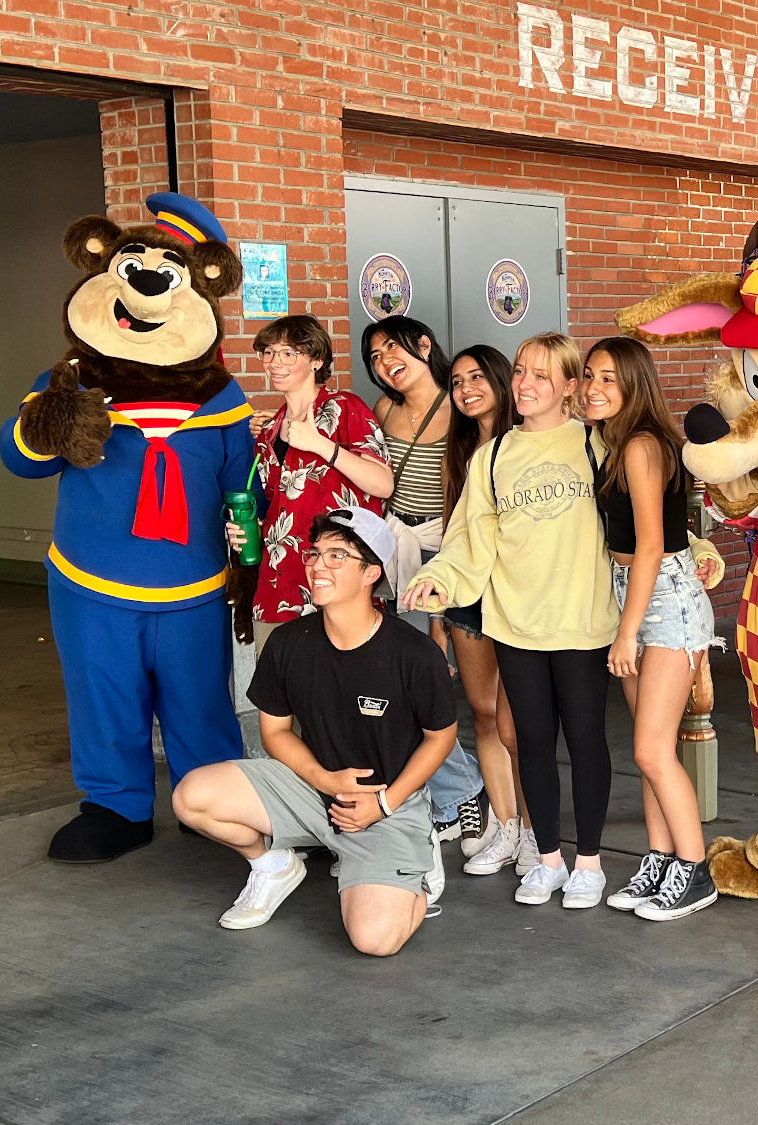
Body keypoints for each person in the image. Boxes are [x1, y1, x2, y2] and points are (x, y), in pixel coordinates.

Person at [172, 508, 455, 955]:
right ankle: (272, 866)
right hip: (312, 789)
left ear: (371, 574)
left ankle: (416, 861)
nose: (318, 566)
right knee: (192, 796)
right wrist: (324, 780)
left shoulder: (413, 654)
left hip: (385, 802)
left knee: (375, 941)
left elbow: (441, 737)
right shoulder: (288, 643)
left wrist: (384, 803)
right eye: (315, 553)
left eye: (338, 556)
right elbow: (276, 733)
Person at [403, 332, 621, 910]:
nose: (524, 383)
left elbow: (639, 520)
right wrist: (440, 580)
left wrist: (694, 551)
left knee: (586, 740)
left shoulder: (596, 445)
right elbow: (469, 540)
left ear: (571, 388)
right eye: (521, 371)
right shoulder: (493, 455)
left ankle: (590, 865)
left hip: (583, 623)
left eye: (542, 376)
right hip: (515, 624)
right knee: (530, 741)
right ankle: (547, 859)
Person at [578, 338, 718, 921]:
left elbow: (654, 545)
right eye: (588, 377)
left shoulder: (640, 445)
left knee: (652, 746)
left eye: (609, 379)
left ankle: (695, 870)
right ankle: (660, 860)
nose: (592, 389)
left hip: (664, 600)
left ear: (636, 385)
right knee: (650, 747)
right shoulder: (614, 443)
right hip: (634, 594)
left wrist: (626, 631)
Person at [360, 315, 487, 854]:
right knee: (397, 682)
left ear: (424, 345)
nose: (386, 361)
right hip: (392, 549)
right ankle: (459, 787)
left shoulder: (458, 410)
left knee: (420, 682)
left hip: (443, 555)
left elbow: (466, 504)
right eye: (374, 357)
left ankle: (464, 789)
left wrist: (438, 614)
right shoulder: (383, 410)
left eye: (393, 348)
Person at [435, 344, 538, 876]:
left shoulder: (529, 442)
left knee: (516, 718)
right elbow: (454, 535)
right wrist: (438, 614)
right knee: (482, 710)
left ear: (502, 381)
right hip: (468, 597)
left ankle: (533, 828)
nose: (466, 388)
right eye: (456, 381)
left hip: (518, 593)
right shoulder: (459, 448)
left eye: (477, 377)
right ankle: (505, 823)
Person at [235, 316, 392, 650]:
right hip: (279, 587)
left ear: (316, 360)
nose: (274, 362)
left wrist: (319, 443)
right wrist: (249, 529)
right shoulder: (268, 431)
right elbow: (280, 506)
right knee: (276, 693)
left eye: (288, 353)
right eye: (269, 352)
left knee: (337, 694)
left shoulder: (345, 407)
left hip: (339, 585)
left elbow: (382, 483)